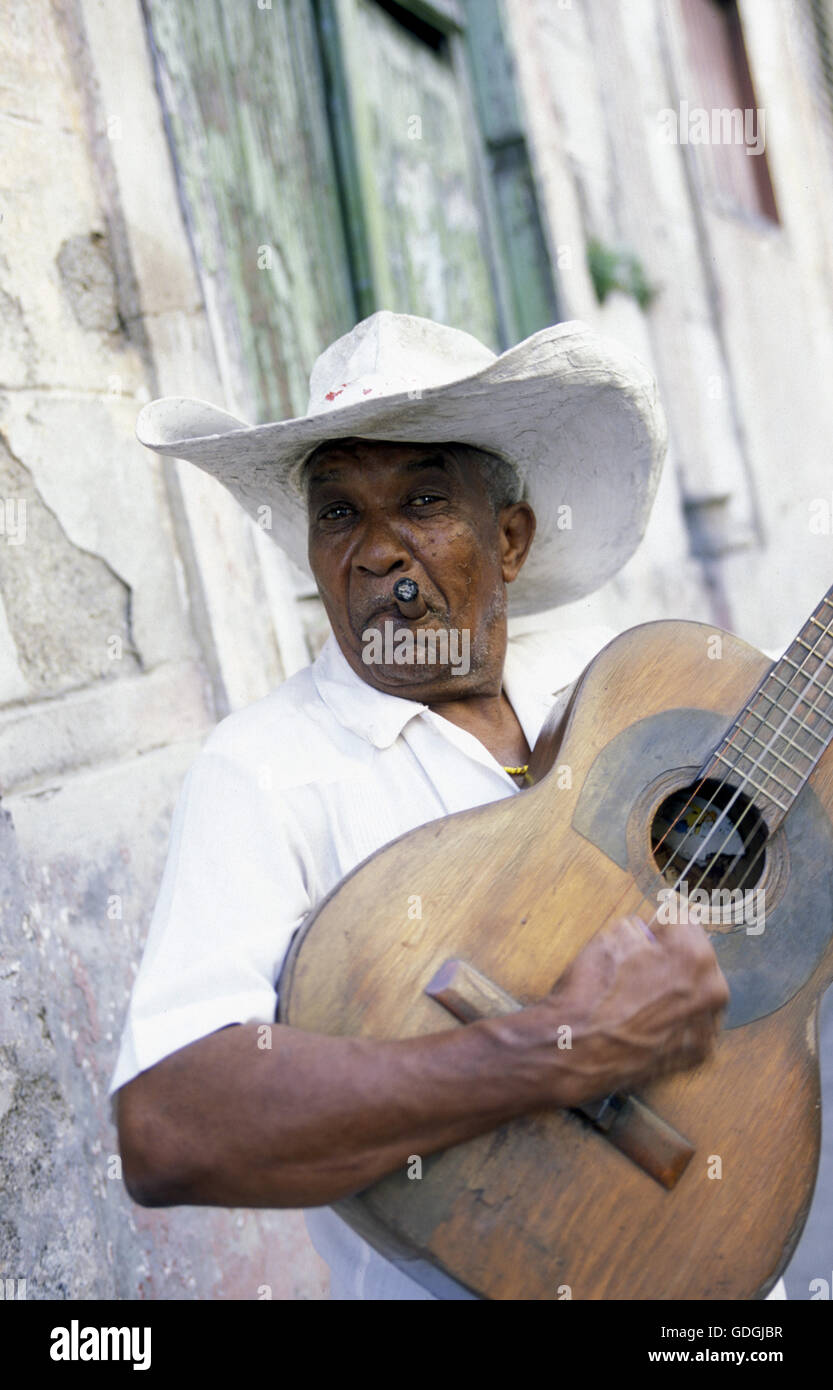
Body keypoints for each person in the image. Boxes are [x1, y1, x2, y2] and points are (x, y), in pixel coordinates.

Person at [110, 311, 782, 1300]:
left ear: (507, 539)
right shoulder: (264, 767)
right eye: (338, 512)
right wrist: (543, 1052)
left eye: (421, 498)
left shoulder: (618, 689)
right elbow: (165, 1126)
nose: (376, 551)